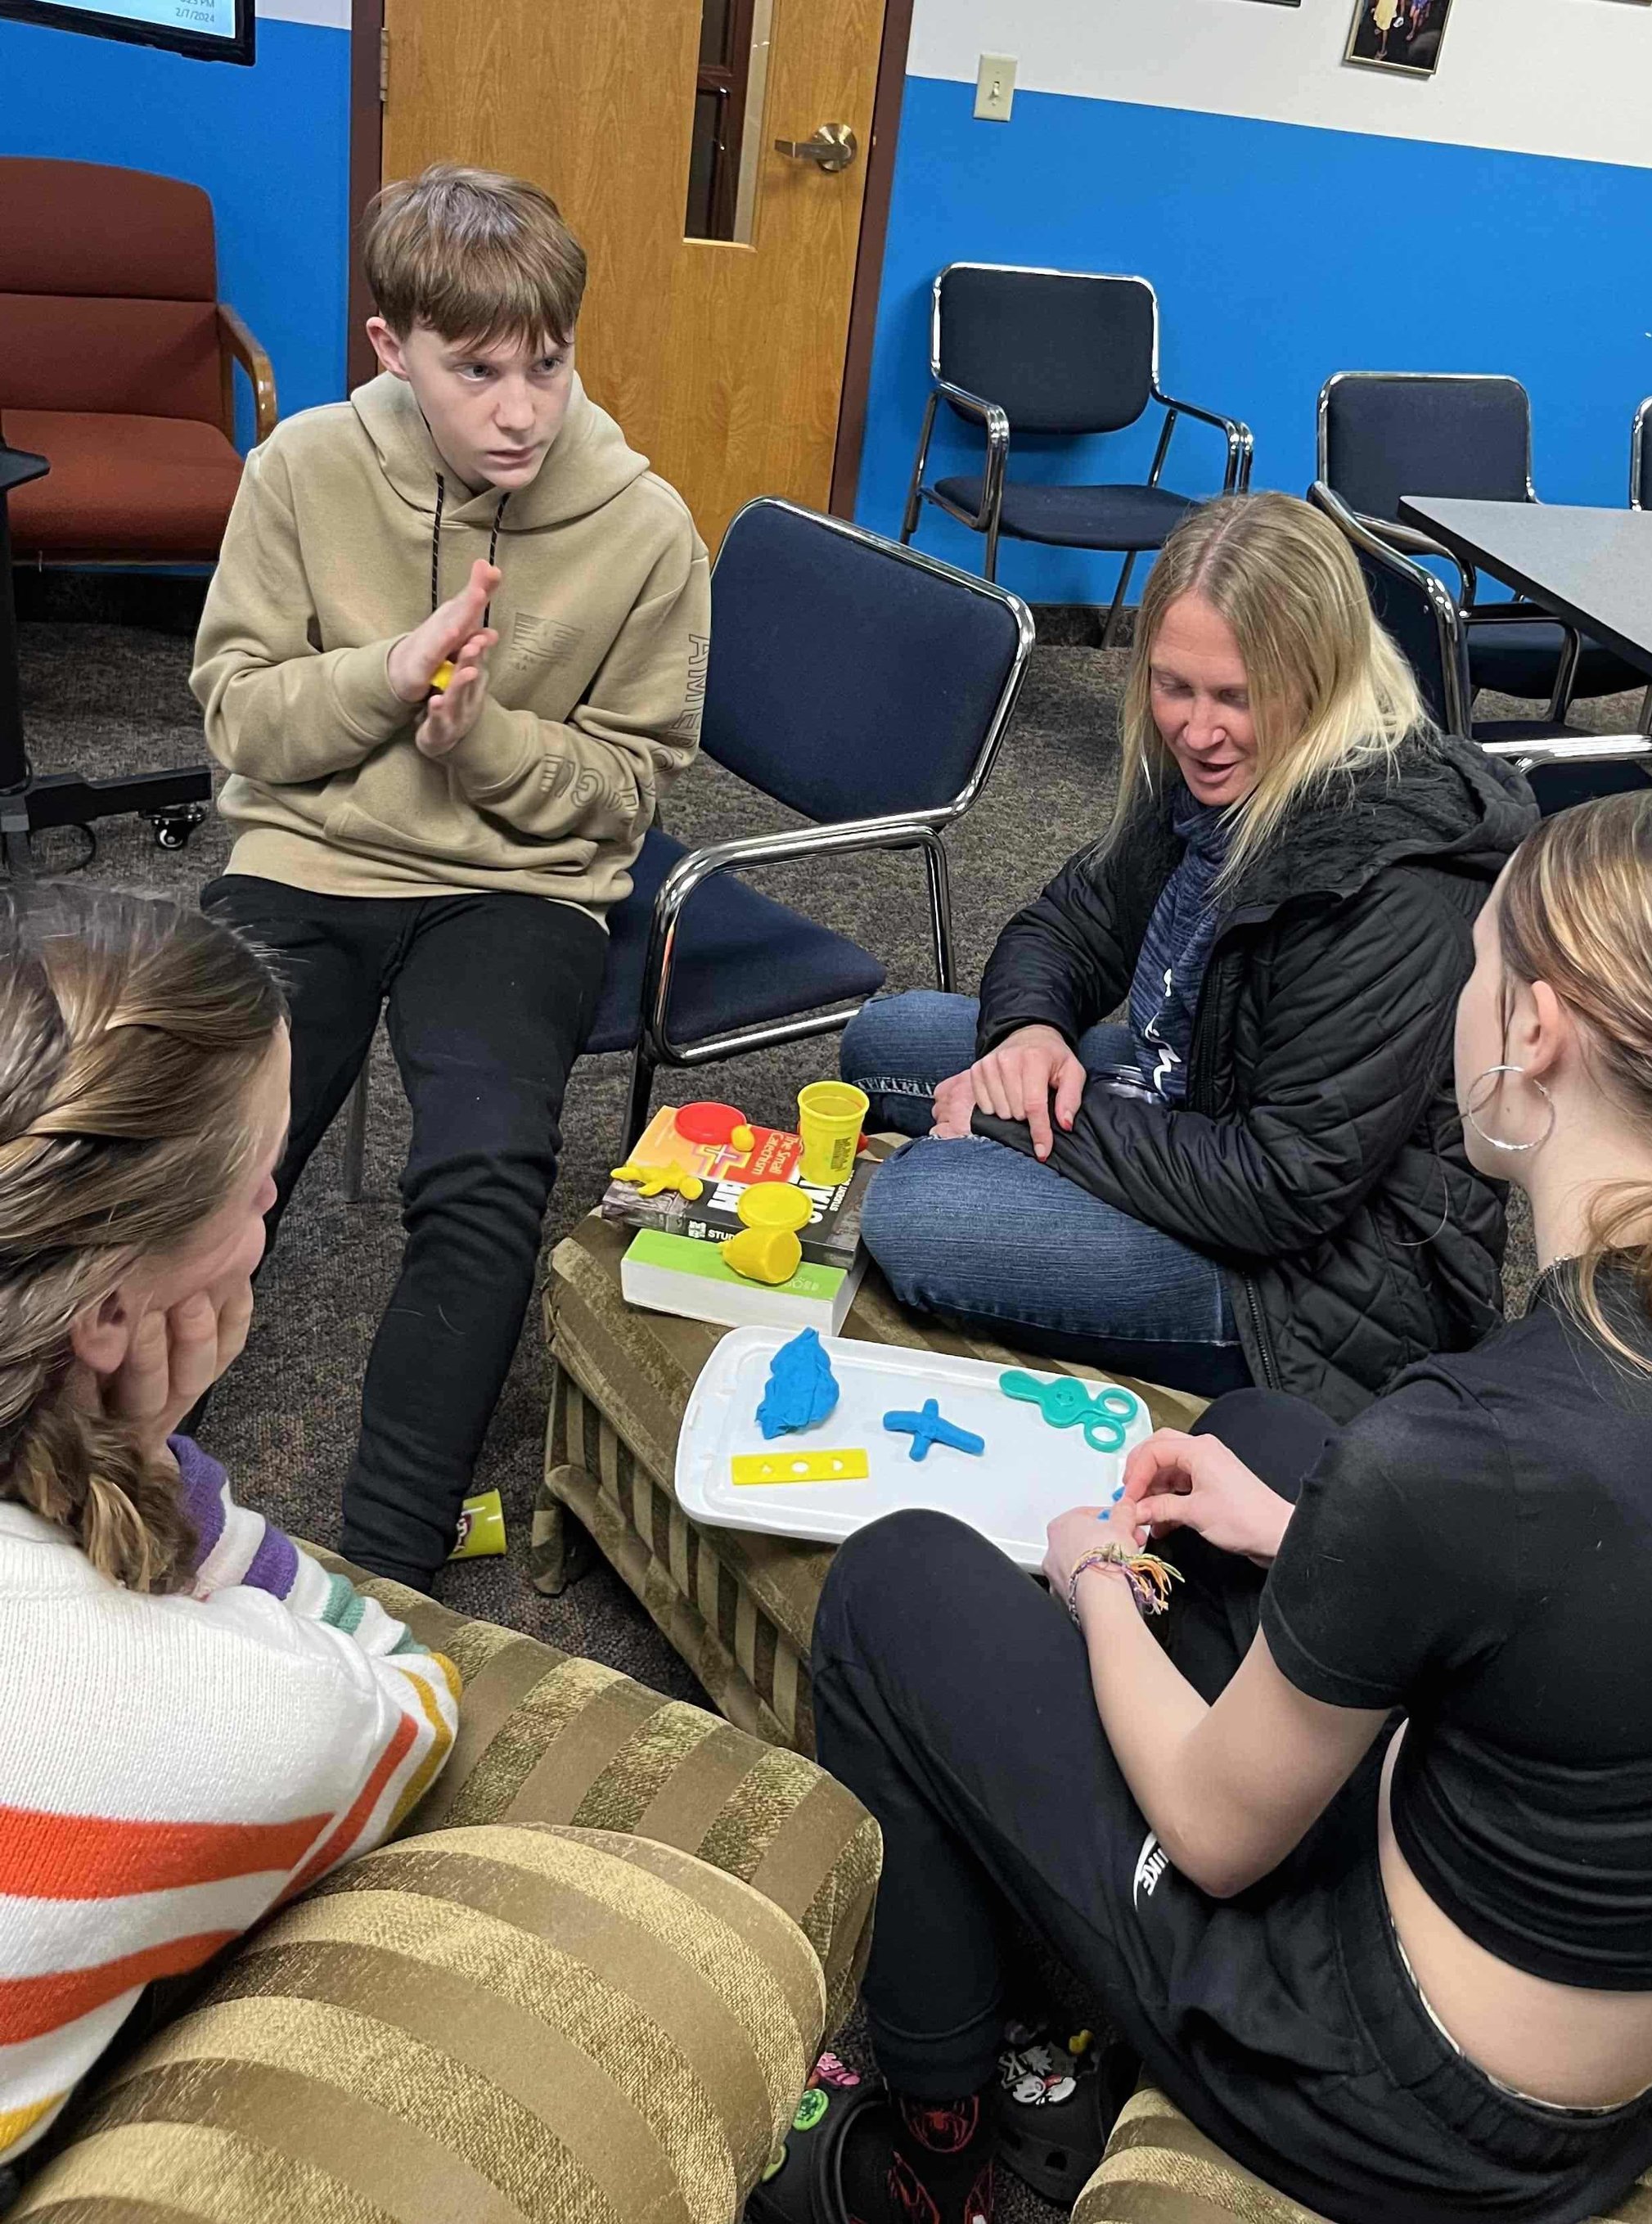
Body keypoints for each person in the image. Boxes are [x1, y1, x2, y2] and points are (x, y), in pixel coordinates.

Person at [808, 786, 1652, 2224]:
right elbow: (1600, 1590)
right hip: (1631, 2033)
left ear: (1532, 1031)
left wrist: (1091, 1575)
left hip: (1415, 2107)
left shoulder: (1468, 1443)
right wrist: (1304, 1530)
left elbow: (1222, 1834)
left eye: (1476, 968)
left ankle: (941, 2140)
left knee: (898, 1583)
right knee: (1274, 1435)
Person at [191, 164, 710, 1588]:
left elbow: (625, 788)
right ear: (389, 350)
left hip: (522, 885)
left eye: (545, 364)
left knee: (487, 1170)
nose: (520, 408)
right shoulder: (299, 468)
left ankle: (389, 1578)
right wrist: (389, 675)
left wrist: (481, 739)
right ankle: (67, 1480)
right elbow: (235, 716)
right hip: (311, 857)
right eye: (474, 370)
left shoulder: (650, 533)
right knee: (198, 1140)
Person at [839, 491, 1535, 1411]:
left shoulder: (1392, 876)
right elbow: (1068, 926)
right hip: (1204, 1095)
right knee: (888, 1037)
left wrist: (1026, 1123)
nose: (1198, 733)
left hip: (1325, 1280)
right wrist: (1029, 1038)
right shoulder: (1218, 777)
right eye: (1175, 687)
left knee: (920, 1209)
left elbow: (1283, 1188)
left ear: (1319, 679)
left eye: (1237, 698)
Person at [0, 890, 461, 2173]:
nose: (275, 1198)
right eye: (264, 1182)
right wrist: (151, 1459)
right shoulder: (211, 1711)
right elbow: (408, 1698)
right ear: (111, 1314)